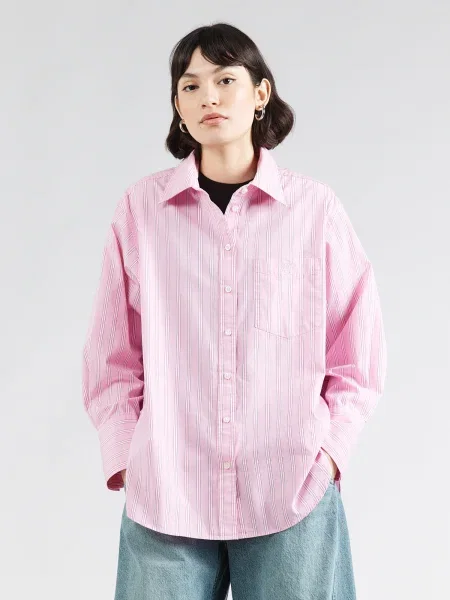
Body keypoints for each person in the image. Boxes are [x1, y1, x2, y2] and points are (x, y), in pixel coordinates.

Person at [82, 21, 387, 600]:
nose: (209, 97)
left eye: (225, 79)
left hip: (291, 492)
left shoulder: (314, 210)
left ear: (260, 93)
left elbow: (357, 351)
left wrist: (329, 456)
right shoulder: (140, 211)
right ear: (177, 106)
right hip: (167, 496)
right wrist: (128, 457)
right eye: (190, 85)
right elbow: (112, 353)